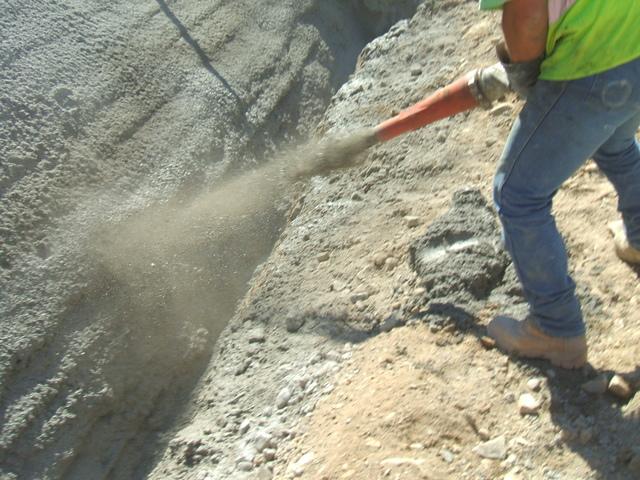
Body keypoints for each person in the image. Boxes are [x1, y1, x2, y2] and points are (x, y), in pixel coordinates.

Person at [480, 0, 640, 368]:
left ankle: (556, 330)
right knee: (615, 143)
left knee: (518, 195)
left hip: (593, 62)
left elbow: (527, 12)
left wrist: (527, 75)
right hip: (632, 38)